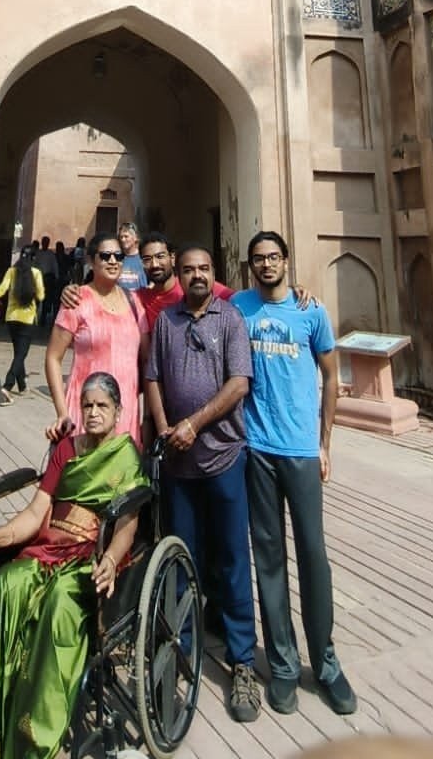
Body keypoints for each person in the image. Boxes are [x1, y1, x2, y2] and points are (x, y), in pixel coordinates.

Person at [0, 372, 147, 759]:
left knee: (59, 603)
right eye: (87, 405)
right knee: (2, 588)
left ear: (118, 411)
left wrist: (110, 560)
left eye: (102, 406)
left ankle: (36, 738)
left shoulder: (126, 456)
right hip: (47, 549)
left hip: (87, 557)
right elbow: (35, 513)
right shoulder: (66, 450)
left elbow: (127, 528)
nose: (93, 412)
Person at [233, 231, 356, 716]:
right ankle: (283, 664)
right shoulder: (239, 308)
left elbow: (332, 376)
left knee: (313, 555)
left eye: (273, 257)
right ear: (250, 265)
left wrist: (325, 444)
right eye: (258, 259)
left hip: (301, 450)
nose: (266, 265)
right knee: (268, 558)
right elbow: (192, 293)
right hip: (257, 449)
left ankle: (325, 663)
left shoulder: (311, 311)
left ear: (286, 261)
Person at [143, 244, 259, 723]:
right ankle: (180, 651)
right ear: (178, 271)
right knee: (179, 559)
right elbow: (152, 377)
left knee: (232, 558)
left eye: (204, 269)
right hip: (178, 464)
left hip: (224, 456)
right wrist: (165, 427)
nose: (196, 275)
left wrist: (194, 423)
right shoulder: (166, 322)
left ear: (214, 274)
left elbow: (239, 384)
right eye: (189, 269)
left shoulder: (230, 319)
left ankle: (243, 660)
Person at [45, 230, 147, 445]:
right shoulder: (77, 300)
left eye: (118, 256)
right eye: (105, 256)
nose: (113, 261)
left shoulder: (135, 303)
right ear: (91, 261)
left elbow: (146, 361)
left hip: (124, 412)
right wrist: (62, 413)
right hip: (85, 412)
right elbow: (53, 357)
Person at [0, 246, 45, 404]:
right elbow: (41, 296)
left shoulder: (11, 271)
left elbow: (0, 290)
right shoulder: (36, 273)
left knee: (18, 353)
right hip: (27, 319)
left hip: (11, 318)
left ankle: (22, 386)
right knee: (21, 355)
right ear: (33, 258)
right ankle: (8, 385)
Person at [137, 232, 234, 332]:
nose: (154, 264)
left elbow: (236, 299)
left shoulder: (192, 284)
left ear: (172, 258)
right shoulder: (139, 299)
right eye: (147, 259)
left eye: (160, 256)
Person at [36, 235, 60, 325]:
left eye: (47, 242)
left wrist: (56, 277)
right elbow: (34, 264)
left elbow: (54, 265)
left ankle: (43, 317)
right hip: (38, 278)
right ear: (42, 243)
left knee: (46, 299)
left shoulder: (51, 254)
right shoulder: (38, 253)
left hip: (47, 278)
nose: (45, 244)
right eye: (44, 242)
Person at [116, 221, 147, 293]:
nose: (123, 240)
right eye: (121, 237)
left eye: (126, 236)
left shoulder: (144, 258)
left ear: (135, 238)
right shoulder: (117, 258)